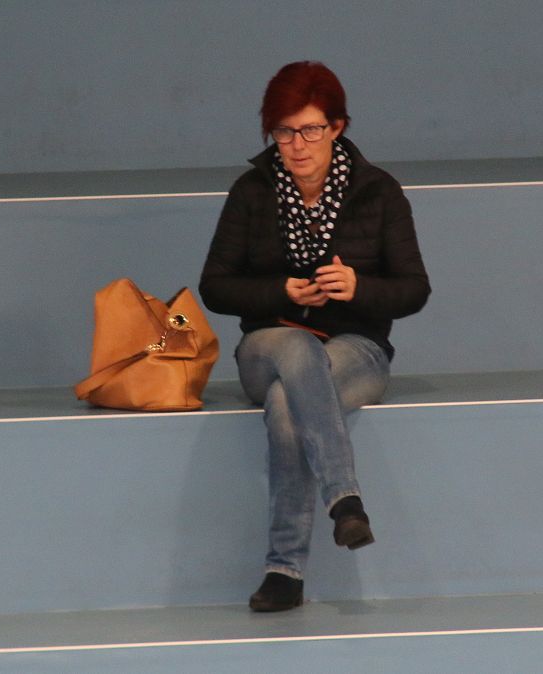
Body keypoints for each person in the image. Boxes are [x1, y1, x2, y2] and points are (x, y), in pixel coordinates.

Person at [199, 61, 430, 612]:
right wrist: (282, 292)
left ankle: (285, 572)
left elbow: (414, 290)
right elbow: (215, 287)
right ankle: (344, 499)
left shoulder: (378, 192)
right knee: (296, 348)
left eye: (310, 130)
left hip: (357, 349)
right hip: (269, 345)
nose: (297, 145)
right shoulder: (252, 192)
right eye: (284, 132)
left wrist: (357, 288)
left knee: (287, 405)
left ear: (337, 127)